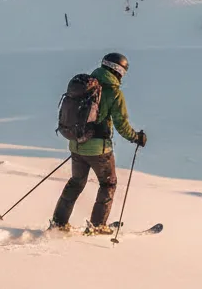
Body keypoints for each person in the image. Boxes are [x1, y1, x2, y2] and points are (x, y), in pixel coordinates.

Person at [51, 52, 147, 235]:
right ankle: (97, 226)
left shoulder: (86, 85)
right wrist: (137, 137)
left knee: (76, 182)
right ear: (119, 71)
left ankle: (58, 223)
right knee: (108, 184)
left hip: (76, 144)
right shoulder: (113, 92)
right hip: (99, 150)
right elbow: (122, 125)